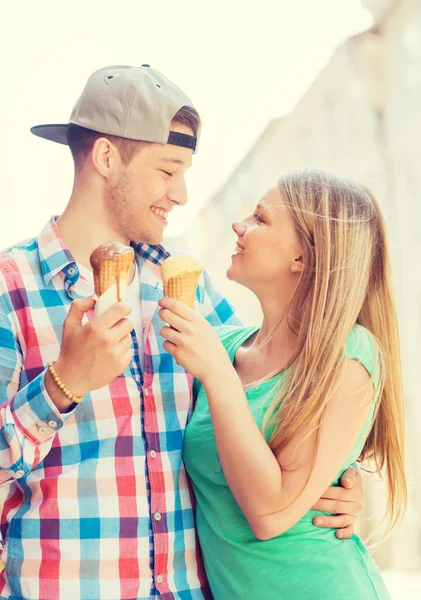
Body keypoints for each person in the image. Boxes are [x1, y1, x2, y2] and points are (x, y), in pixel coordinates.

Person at [0, 65, 362, 600]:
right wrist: (63, 384)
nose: (183, 193)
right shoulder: (12, 290)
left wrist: (336, 477)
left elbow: (271, 399)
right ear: (105, 159)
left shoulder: (184, 286)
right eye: (168, 171)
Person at [158, 168, 407, 600]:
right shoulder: (224, 345)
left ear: (303, 258)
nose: (239, 225)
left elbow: (270, 513)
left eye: (260, 218)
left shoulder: (350, 354)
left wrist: (217, 375)